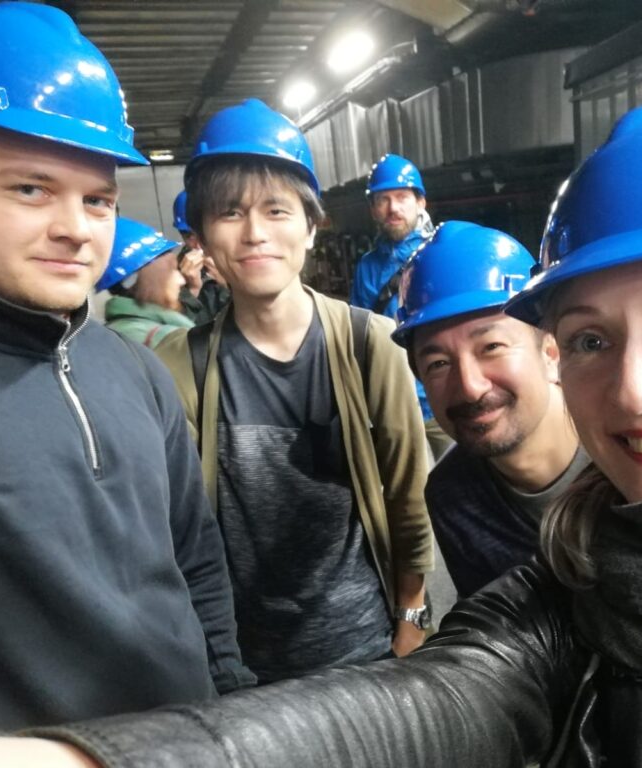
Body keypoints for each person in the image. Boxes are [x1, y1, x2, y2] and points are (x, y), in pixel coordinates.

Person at [0, 107, 642, 768]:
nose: (631, 388)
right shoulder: (552, 615)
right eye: (589, 335)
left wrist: (403, 603)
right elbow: (374, 719)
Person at [0, 2, 253, 736]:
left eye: (97, 199)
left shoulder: (134, 369)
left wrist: (230, 710)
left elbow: (196, 563)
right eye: (30, 188)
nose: (75, 228)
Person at [152, 99, 434, 682]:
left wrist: (412, 617)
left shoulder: (369, 344)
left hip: (367, 649)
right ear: (202, 236)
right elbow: (180, 532)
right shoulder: (179, 365)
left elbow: (410, 494)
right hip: (244, 664)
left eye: (277, 210)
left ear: (310, 227)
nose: (256, 233)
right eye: (230, 213)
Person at [392, 221, 588, 597]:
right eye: (438, 364)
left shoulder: (631, 456)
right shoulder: (453, 497)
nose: (469, 386)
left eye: (492, 347)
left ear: (551, 353)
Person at [350, 154, 451, 460]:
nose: (393, 208)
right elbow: (359, 338)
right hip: (392, 404)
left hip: (443, 403)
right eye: (383, 199)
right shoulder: (367, 268)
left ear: (421, 203)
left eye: (402, 197)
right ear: (373, 209)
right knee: (408, 497)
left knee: (461, 492)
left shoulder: (442, 253)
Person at [98, 216, 194, 347]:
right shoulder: (163, 339)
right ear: (139, 279)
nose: (182, 280)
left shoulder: (115, 331)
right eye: (172, 270)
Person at [173, 190, 230, 325]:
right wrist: (192, 291)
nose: (198, 244)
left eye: (204, 233)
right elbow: (174, 335)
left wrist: (227, 284)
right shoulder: (175, 273)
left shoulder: (248, 261)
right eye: (188, 236)